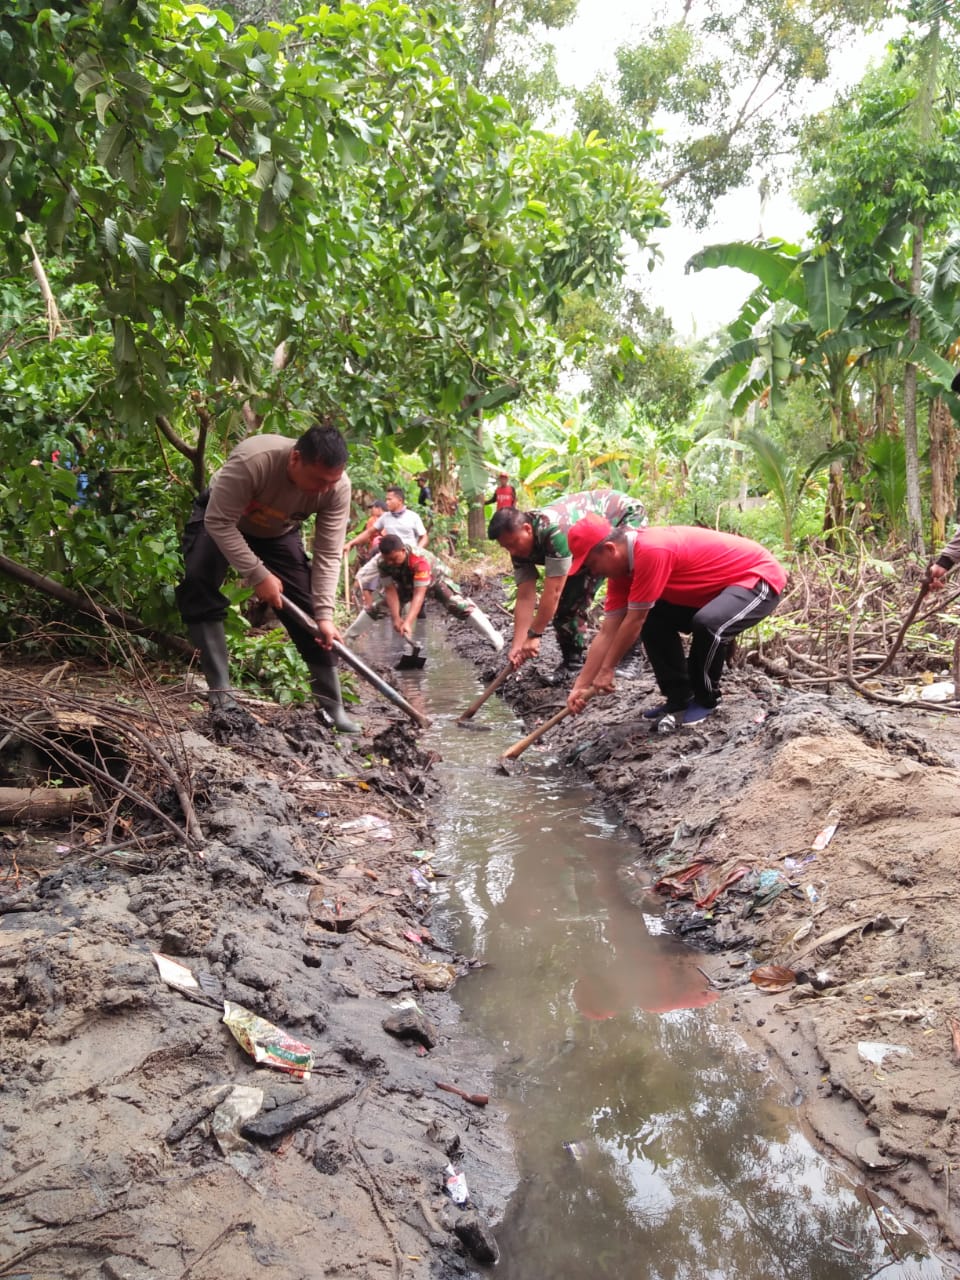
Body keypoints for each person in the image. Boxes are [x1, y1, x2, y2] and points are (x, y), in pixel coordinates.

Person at [175, 421, 361, 732]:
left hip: (277, 533)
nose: (325, 488)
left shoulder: (337, 488)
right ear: (295, 459)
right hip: (222, 517)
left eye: (332, 481)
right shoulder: (254, 460)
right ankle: (222, 695)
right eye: (318, 480)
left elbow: (329, 553)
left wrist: (326, 616)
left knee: (310, 610)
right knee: (199, 582)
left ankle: (333, 709)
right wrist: (258, 574)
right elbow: (219, 522)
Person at [562, 514, 787, 728]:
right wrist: (580, 687)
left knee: (709, 624)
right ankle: (679, 697)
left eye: (592, 564)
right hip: (714, 593)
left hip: (757, 579)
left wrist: (607, 669)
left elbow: (634, 621)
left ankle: (707, 699)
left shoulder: (652, 549)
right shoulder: (621, 572)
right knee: (654, 615)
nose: (593, 572)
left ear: (610, 550)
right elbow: (607, 632)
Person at [488, 488, 648, 681]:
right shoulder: (519, 548)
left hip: (622, 516)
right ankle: (573, 665)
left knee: (622, 582)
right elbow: (525, 595)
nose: (512, 550)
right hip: (583, 541)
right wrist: (518, 644)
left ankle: (632, 659)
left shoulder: (553, 531)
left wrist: (535, 635)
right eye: (506, 548)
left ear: (527, 529)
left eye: (513, 543)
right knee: (568, 605)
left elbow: (553, 592)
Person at [345, 534, 504, 653]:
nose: (391, 563)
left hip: (434, 580)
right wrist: (396, 618)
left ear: (402, 550)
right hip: (405, 581)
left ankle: (494, 637)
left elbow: (419, 594)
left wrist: (408, 621)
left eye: (394, 559)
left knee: (457, 605)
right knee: (377, 607)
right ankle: (347, 641)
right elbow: (390, 590)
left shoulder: (419, 560)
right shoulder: (382, 562)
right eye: (388, 560)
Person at [346, 485, 427, 556]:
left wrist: (417, 551)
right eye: (386, 500)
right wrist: (351, 543)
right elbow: (368, 532)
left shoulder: (413, 516)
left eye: (390, 499)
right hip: (389, 556)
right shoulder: (385, 517)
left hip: (408, 555)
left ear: (400, 501)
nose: (386, 502)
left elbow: (424, 537)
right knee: (365, 572)